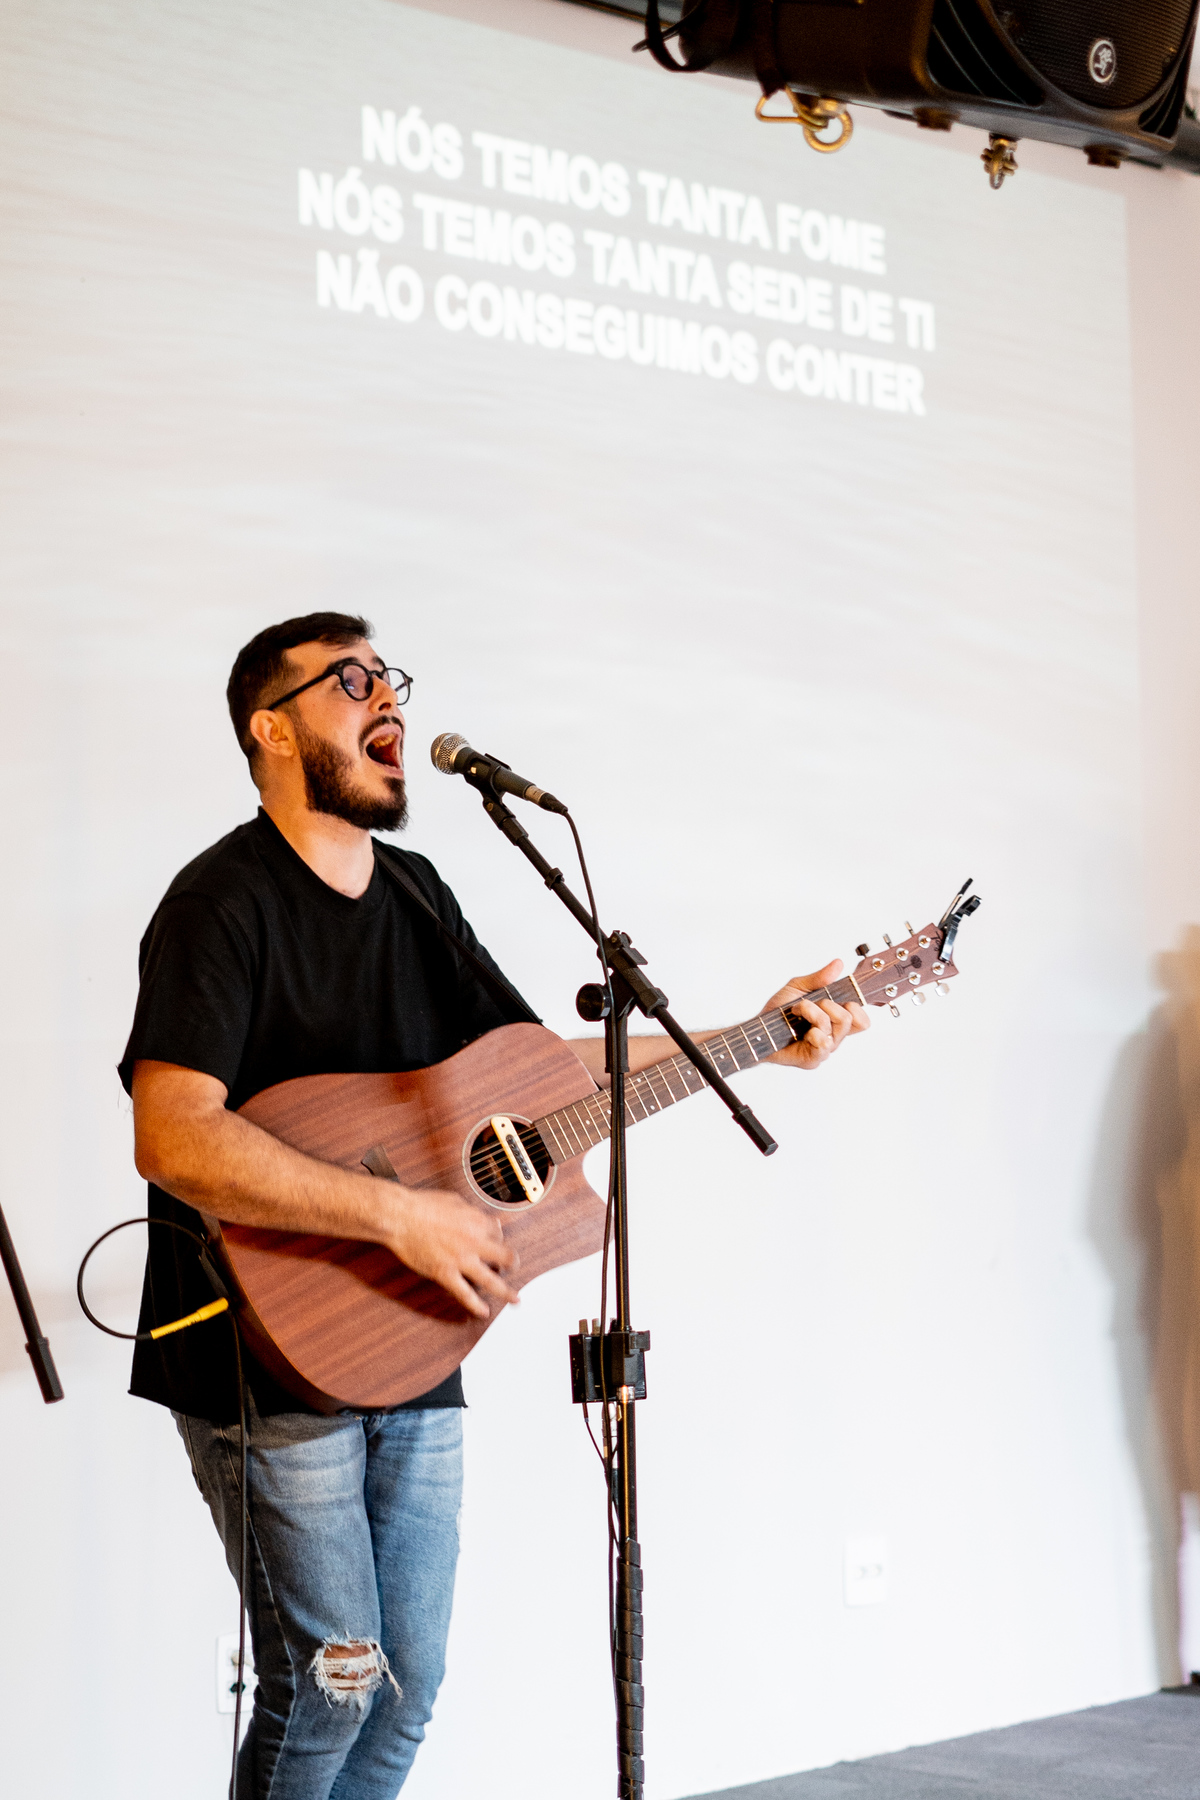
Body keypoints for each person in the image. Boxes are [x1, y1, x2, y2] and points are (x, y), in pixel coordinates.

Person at [119, 611, 868, 1800]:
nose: (390, 702)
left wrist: (751, 1041)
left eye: (391, 679)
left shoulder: (416, 895)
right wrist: (394, 1218)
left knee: (405, 1691)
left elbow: (540, 1074)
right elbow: (175, 1135)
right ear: (270, 728)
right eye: (349, 681)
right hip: (264, 1355)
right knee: (333, 1686)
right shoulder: (222, 904)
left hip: (412, 1340)